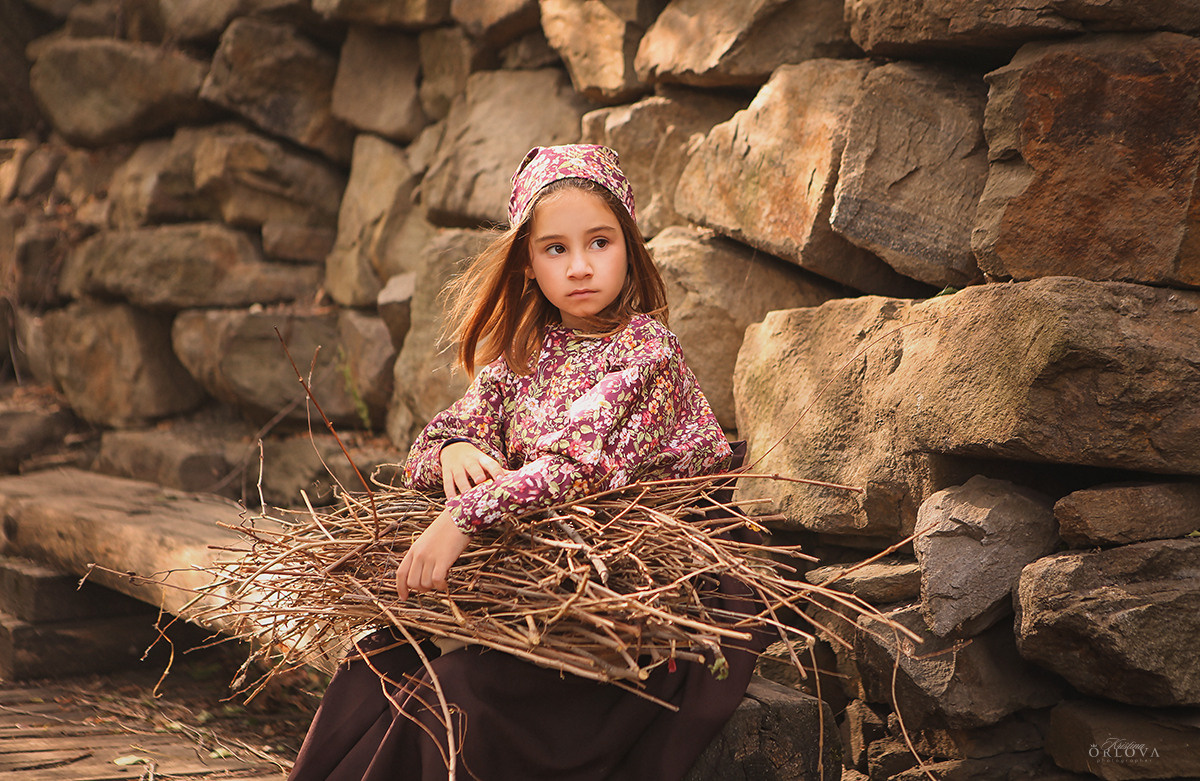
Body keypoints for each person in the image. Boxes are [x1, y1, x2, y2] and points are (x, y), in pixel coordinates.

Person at [287, 145, 763, 781]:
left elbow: (578, 465)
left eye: (599, 242)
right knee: (376, 660)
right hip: (536, 577)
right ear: (528, 264)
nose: (581, 267)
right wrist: (454, 450)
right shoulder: (523, 354)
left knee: (459, 691)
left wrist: (465, 518)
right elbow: (434, 440)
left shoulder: (647, 353)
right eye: (555, 249)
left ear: (630, 246)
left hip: (624, 605)